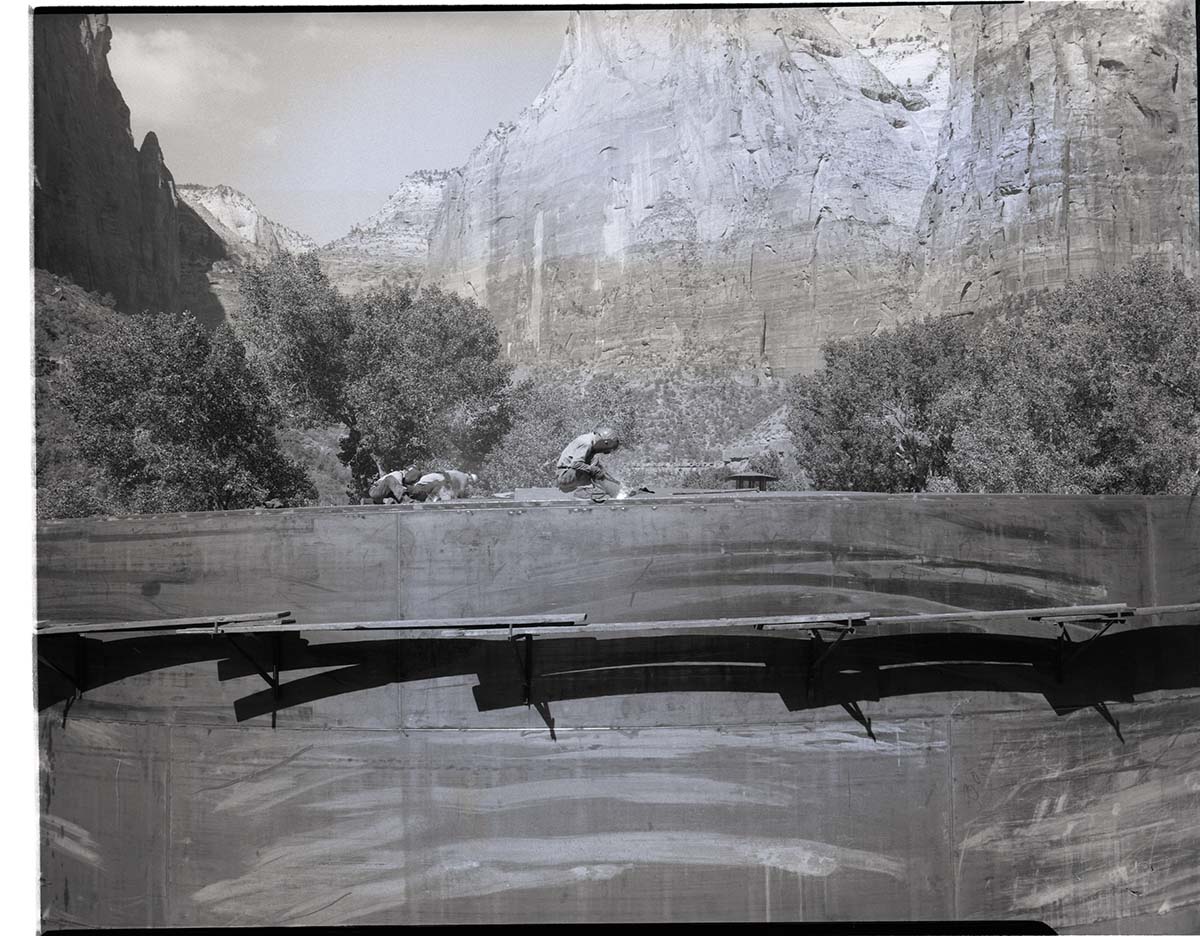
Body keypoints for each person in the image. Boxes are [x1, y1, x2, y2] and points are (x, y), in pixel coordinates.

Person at [556, 427, 626, 501]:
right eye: (608, 449)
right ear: (605, 442)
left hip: (569, 475)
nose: (606, 452)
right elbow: (575, 464)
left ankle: (618, 492)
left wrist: (615, 483)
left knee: (597, 466)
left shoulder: (590, 442)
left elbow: (600, 470)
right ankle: (583, 491)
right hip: (565, 476)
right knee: (594, 469)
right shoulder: (586, 443)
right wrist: (594, 470)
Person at [408, 469, 478, 502]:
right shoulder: (464, 477)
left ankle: (433, 498)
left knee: (446, 492)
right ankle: (434, 499)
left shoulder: (459, 474)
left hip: (435, 477)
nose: (469, 483)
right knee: (445, 494)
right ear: (470, 478)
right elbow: (461, 491)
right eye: (471, 482)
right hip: (440, 478)